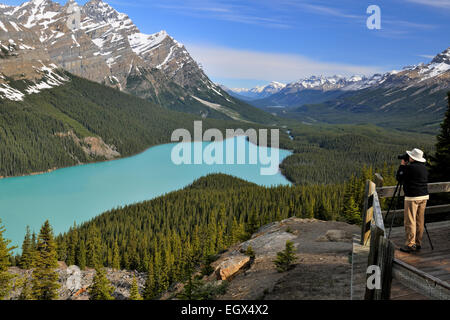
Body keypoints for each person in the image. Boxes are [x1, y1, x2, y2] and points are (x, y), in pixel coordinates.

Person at [396, 148, 429, 253]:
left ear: (413, 158)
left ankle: (410, 244)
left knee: (410, 221)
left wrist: (402, 165)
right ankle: (418, 243)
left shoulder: (409, 168)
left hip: (412, 197)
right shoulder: (424, 168)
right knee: (420, 220)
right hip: (424, 196)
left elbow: (399, 178)